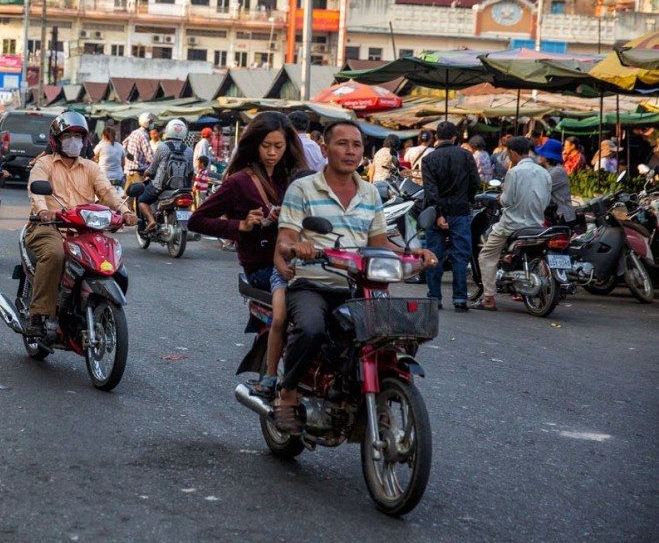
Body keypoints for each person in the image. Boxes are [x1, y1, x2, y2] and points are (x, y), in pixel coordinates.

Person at [273, 121, 437, 433]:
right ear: (325, 149)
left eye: (357, 145)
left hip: (362, 285)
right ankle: (288, 392)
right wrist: (300, 247)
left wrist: (413, 254)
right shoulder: (303, 189)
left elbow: (379, 244)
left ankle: (373, 396)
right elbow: (285, 239)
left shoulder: (370, 192)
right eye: (342, 143)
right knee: (311, 328)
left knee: (391, 335)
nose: (350, 151)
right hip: (314, 282)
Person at [189, 113, 306, 397]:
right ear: (254, 144)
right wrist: (240, 225)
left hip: (298, 259)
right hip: (263, 268)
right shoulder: (239, 182)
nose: (272, 153)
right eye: (266, 146)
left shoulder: (292, 177)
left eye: (278, 146)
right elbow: (197, 221)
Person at [25, 112, 136, 338]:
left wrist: (125, 211)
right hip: (49, 227)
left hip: (84, 229)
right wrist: (43, 211)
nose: (74, 141)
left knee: (109, 254)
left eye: (78, 136)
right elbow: (35, 191)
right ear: (56, 138)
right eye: (68, 135)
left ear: (85, 140)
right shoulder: (43, 164)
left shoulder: (91, 167)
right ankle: (38, 314)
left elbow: (107, 191)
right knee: (56, 254)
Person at [472, 136, 551, 311]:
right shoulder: (544, 172)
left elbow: (507, 200)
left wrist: (501, 198)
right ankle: (509, 260)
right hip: (537, 223)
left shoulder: (514, 172)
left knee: (486, 255)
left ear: (513, 153)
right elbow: (546, 201)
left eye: (509, 155)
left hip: (512, 224)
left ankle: (489, 299)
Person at [420, 121, 480, 312]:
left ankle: (435, 297)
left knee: (433, 255)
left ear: (436, 137)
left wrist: (438, 214)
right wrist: (466, 200)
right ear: (455, 137)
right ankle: (460, 299)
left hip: (436, 213)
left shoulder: (429, 159)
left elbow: (430, 191)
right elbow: (475, 183)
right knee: (460, 256)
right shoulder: (466, 155)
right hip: (460, 212)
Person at [138, 119, 193, 231]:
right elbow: (191, 171)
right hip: (181, 189)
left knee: (142, 200)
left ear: (168, 130)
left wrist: (146, 173)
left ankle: (151, 220)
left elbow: (153, 168)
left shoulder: (162, 147)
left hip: (160, 186)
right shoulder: (189, 150)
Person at [537, 139, 577, 228]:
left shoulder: (557, 172)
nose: (539, 155)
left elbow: (538, 188)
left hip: (563, 217)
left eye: (542, 153)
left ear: (548, 156)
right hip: (555, 216)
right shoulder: (551, 170)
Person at [122, 112, 155, 184]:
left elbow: (124, 144)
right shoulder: (144, 135)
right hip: (138, 172)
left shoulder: (135, 132)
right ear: (146, 122)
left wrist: (129, 157)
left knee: (127, 194)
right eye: (151, 122)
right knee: (141, 194)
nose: (152, 124)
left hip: (129, 170)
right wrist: (157, 163)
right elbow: (149, 156)